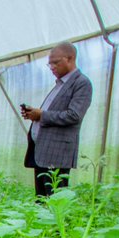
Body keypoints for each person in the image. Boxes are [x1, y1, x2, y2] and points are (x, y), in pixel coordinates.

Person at [22, 42, 92, 198]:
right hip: (42, 151)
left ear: (70, 58)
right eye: (50, 64)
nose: (52, 67)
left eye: (56, 62)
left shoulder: (81, 83)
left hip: (57, 153)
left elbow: (74, 115)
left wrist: (41, 115)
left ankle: (55, 223)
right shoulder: (59, 85)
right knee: (41, 199)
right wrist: (35, 115)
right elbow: (51, 113)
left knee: (56, 200)